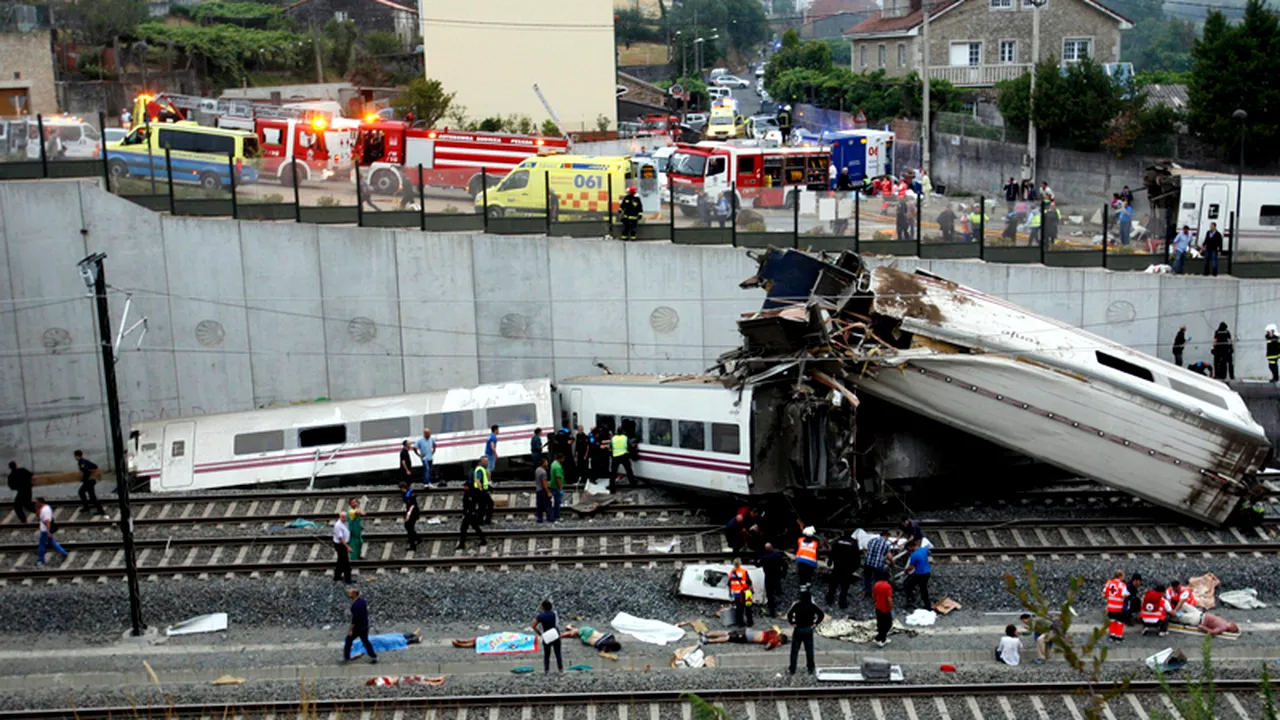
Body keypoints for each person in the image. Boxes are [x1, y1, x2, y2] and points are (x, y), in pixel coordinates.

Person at [785, 588, 824, 674]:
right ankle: (810, 668)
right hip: (808, 629)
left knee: (795, 651)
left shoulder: (797, 605)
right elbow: (821, 614)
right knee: (809, 650)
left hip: (798, 629)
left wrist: (793, 623)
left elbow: (789, 614)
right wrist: (815, 623)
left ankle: (792, 669)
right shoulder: (812, 606)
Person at [343, 588, 377, 664]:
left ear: (354, 594)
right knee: (366, 641)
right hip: (364, 625)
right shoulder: (362, 601)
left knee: (348, 640)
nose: (349, 594)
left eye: (350, 593)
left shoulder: (355, 605)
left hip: (357, 627)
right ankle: (373, 656)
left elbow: (355, 618)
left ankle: (346, 657)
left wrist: (351, 629)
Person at [826, 529, 858, 610]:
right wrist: (855, 567)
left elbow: (832, 552)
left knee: (833, 584)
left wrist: (830, 562)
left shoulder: (838, 541)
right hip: (847, 568)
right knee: (845, 586)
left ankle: (830, 598)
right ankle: (842, 602)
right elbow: (856, 556)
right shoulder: (853, 543)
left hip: (837, 566)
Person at [457, 467, 487, 550]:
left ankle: (462, 544)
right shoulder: (469, 493)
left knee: (465, 528)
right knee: (473, 527)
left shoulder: (470, 494)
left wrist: (470, 512)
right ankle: (482, 540)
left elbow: (471, 504)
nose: (464, 488)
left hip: (470, 514)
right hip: (469, 514)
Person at [756, 542, 788, 617]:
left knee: (770, 595)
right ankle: (779, 594)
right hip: (777, 576)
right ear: (772, 548)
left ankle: (772, 612)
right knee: (777, 588)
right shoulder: (778, 556)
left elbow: (757, 564)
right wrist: (783, 574)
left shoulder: (765, 558)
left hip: (769, 577)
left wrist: (758, 558)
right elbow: (785, 565)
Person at [34, 497, 68, 566]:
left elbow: (47, 522)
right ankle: (64, 553)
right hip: (45, 530)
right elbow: (38, 515)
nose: (35, 503)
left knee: (42, 545)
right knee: (52, 543)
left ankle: (41, 560)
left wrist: (48, 532)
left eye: (36, 502)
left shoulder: (45, 511)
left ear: (40, 502)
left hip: (45, 531)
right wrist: (37, 508)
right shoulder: (44, 508)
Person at [532, 599, 563, 674]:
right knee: (558, 653)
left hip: (547, 635)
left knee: (547, 654)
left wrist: (540, 634)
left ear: (543, 607)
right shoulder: (554, 614)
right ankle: (560, 669)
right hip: (555, 634)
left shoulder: (541, 616)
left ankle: (546, 670)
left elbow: (533, 626)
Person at [73, 450, 105, 516]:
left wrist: (83, 478)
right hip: (90, 481)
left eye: (75, 456)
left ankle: (100, 510)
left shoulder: (81, 462)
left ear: (78, 456)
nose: (75, 458)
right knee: (86, 494)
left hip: (89, 481)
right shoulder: (84, 460)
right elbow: (95, 466)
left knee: (85, 493)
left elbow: (86, 471)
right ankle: (87, 507)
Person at [861, 529, 892, 599]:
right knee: (878, 580)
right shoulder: (886, 544)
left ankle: (867, 593)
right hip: (877, 565)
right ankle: (876, 595)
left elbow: (868, 548)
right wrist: (892, 563)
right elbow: (889, 556)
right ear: (886, 536)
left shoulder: (872, 540)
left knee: (867, 578)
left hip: (868, 563)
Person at [903, 539, 932, 610]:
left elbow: (911, 567)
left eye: (908, 549)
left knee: (907, 585)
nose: (908, 551)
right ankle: (927, 605)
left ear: (910, 547)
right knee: (923, 588)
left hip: (920, 574)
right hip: (927, 572)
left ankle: (910, 601)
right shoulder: (923, 549)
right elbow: (929, 552)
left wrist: (905, 570)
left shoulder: (914, 555)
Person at [1103, 570, 1129, 642]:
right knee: (1120, 621)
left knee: (1112, 620)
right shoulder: (1122, 585)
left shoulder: (1109, 583)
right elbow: (1125, 594)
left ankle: (1112, 635)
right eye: (1123, 576)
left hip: (1110, 606)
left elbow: (1105, 593)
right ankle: (1119, 636)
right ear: (1120, 576)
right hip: (1118, 607)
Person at [701, 628, 788, 649]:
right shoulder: (774, 640)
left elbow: (772, 629)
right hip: (748, 637)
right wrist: (776, 645)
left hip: (748, 631)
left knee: (727, 633)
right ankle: (708, 640)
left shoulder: (774, 632)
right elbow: (767, 647)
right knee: (728, 638)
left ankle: (707, 634)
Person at [729, 557, 754, 627]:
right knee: (748, 608)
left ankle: (740, 623)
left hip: (737, 594)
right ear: (740, 564)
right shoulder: (744, 571)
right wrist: (752, 590)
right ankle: (750, 622)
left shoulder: (731, 573)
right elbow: (749, 582)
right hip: (747, 592)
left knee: (739, 608)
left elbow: (730, 584)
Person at [872, 577, 893, 648]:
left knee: (880, 623)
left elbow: (873, 594)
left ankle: (883, 638)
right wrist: (890, 608)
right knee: (888, 624)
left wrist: (876, 601)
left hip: (878, 607)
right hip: (885, 609)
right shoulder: (888, 586)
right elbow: (889, 599)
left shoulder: (876, 584)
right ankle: (879, 638)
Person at [333, 511, 353, 583]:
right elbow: (340, 538)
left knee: (340, 561)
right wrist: (348, 547)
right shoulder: (338, 525)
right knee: (346, 562)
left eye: (345, 516)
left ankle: (336, 576)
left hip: (344, 543)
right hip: (340, 545)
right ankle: (348, 579)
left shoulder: (346, 523)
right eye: (342, 517)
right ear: (339, 517)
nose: (344, 518)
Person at [400, 480, 419, 552]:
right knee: (409, 527)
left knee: (408, 527)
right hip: (413, 512)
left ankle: (413, 545)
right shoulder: (409, 493)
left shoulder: (409, 495)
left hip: (412, 513)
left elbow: (412, 505)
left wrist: (408, 514)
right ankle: (417, 539)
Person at [474, 455, 494, 525]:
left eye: (487, 461)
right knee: (486, 505)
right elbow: (478, 480)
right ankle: (484, 520)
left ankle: (482, 521)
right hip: (480, 491)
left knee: (483, 505)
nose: (487, 462)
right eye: (485, 461)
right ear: (482, 462)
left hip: (482, 491)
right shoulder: (480, 469)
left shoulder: (483, 469)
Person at [533, 457, 552, 523]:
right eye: (546, 462)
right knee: (547, 505)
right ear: (543, 463)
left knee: (539, 506)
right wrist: (548, 492)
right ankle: (550, 518)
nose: (547, 463)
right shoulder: (543, 472)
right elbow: (544, 483)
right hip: (542, 490)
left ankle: (539, 518)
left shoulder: (537, 470)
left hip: (538, 490)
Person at [549, 452, 566, 522]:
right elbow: (558, 478)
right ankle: (557, 516)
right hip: (556, 487)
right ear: (561, 459)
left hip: (553, 485)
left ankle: (553, 515)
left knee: (554, 502)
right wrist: (560, 488)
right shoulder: (558, 467)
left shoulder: (553, 463)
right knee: (557, 503)